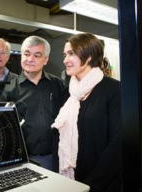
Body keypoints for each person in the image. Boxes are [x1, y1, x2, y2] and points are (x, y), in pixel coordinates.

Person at [51, 32, 122, 192]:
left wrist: (91, 185)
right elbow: (57, 138)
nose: (65, 60)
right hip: (69, 180)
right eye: (65, 55)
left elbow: (118, 145)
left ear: (89, 55)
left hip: (101, 183)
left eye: (71, 54)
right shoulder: (68, 94)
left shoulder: (114, 90)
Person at [0, 35, 66, 170]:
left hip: (56, 156)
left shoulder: (57, 85)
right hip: (24, 160)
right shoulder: (9, 89)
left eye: (37, 55)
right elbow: (2, 128)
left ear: (46, 59)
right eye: (26, 54)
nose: (30, 59)